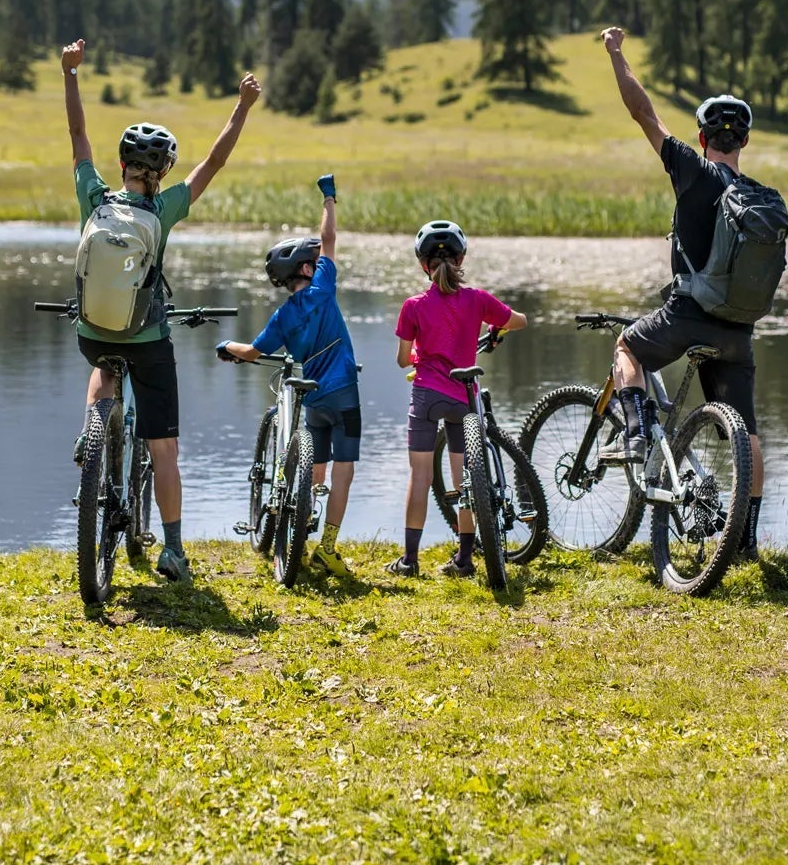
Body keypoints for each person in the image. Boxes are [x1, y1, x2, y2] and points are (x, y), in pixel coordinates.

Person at [60, 39, 261, 586]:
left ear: (122, 165)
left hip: (91, 330)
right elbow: (215, 161)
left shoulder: (94, 196)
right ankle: (173, 551)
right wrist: (242, 106)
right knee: (164, 447)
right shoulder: (166, 208)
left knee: (102, 362)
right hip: (148, 339)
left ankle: (90, 429)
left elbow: (78, 136)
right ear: (164, 169)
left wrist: (70, 73)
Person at [599, 26, 767, 559]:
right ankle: (745, 542)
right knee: (749, 435)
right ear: (744, 141)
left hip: (688, 316)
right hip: (739, 332)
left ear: (702, 139)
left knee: (627, 346)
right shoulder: (761, 196)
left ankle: (633, 430)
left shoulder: (692, 171)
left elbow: (642, 113)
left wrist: (617, 54)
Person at [217, 176, 361, 578]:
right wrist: (329, 196)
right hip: (346, 392)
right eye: (313, 263)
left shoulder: (281, 319)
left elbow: (252, 352)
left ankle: (301, 515)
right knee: (344, 468)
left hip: (313, 398)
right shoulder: (324, 289)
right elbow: (328, 236)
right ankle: (327, 546)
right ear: (305, 268)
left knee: (314, 459)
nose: (318, 264)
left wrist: (228, 347)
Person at [390, 220, 526, 578]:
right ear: (461, 258)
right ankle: (464, 560)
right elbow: (520, 322)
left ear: (423, 264)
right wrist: (497, 327)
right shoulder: (478, 300)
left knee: (420, 477)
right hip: (463, 397)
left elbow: (403, 359)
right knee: (465, 479)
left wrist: (420, 354)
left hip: (426, 397)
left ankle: (409, 561)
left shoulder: (414, 306)